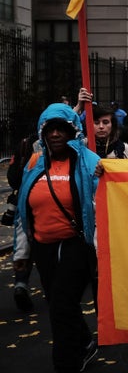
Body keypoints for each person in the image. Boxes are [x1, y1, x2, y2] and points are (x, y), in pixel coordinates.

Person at [12, 103, 101, 372]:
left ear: (72, 131)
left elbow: (102, 205)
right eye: (50, 129)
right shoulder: (34, 163)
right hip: (43, 246)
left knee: (61, 304)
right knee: (59, 303)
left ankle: (66, 363)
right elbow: (23, 209)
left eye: (62, 128)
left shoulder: (90, 162)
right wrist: (22, 252)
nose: (55, 134)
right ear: (42, 133)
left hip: (76, 245)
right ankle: (86, 341)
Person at [3, 131, 40, 312]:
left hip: (25, 202)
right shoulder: (65, 145)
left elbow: (12, 177)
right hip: (44, 205)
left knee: (24, 242)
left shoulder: (26, 143)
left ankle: (21, 283)